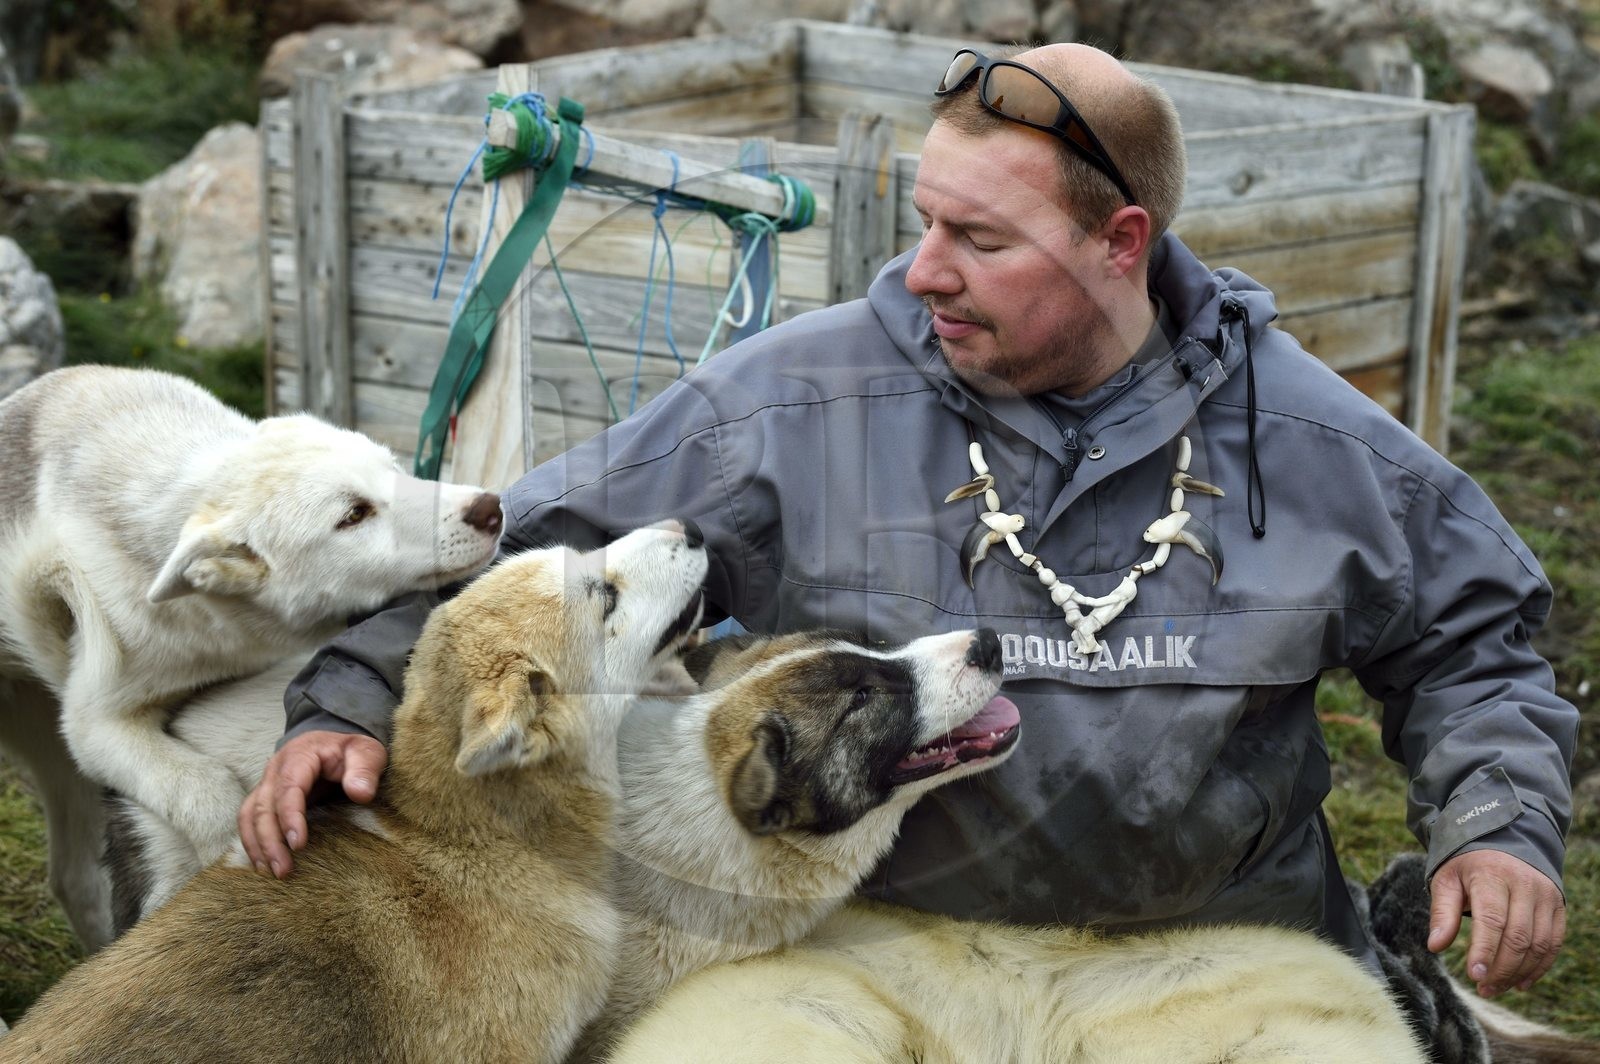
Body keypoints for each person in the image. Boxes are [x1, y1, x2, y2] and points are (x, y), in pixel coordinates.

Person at [241, 42, 1576, 1000]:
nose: (922, 267)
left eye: (981, 241)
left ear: (1121, 242)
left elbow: (1474, 642)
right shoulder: (791, 399)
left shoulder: (1323, 445)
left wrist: (1499, 826)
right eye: (928, 219)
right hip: (859, 951)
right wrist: (347, 703)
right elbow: (525, 551)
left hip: (1219, 958)